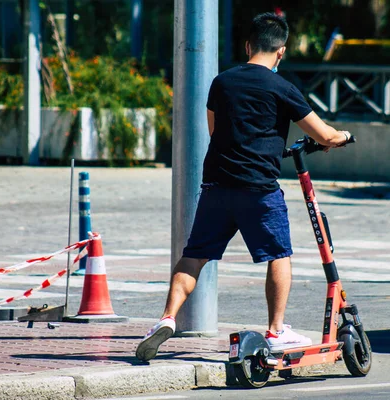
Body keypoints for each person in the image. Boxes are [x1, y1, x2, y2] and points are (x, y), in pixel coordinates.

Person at [136, 12, 352, 362]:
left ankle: (167, 318)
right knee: (279, 255)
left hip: (217, 185)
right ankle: (277, 329)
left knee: (194, 256)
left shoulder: (222, 82)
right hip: (259, 189)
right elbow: (323, 134)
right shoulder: (282, 87)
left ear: (248, 45)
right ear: (281, 51)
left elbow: (214, 129)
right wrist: (342, 138)